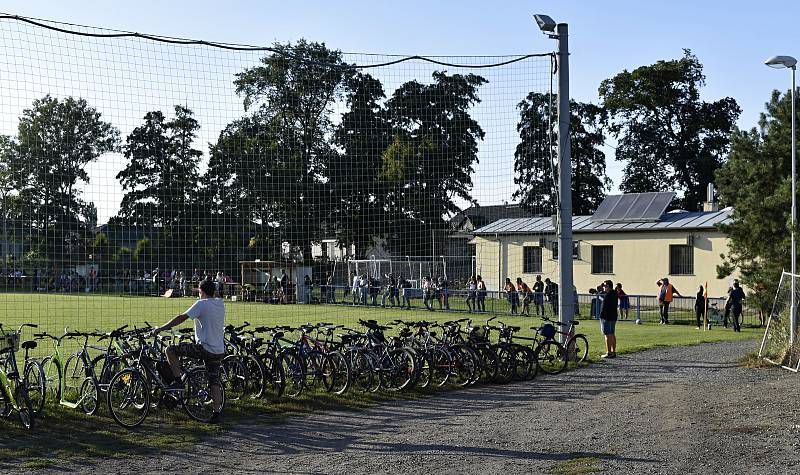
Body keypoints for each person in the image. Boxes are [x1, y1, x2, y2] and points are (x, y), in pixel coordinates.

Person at [151, 279, 225, 424]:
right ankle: (216, 413)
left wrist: (162, 328)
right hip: (219, 350)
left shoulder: (201, 304)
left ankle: (178, 381)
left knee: (170, 350)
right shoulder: (220, 304)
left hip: (205, 348)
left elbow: (181, 318)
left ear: (201, 291)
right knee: (214, 381)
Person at [599, 280, 618, 358]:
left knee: (607, 335)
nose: (604, 287)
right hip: (613, 316)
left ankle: (608, 352)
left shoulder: (608, 295)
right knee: (612, 334)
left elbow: (604, 306)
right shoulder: (614, 293)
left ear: (608, 286)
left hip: (606, 317)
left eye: (605, 286)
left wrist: (601, 315)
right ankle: (613, 352)